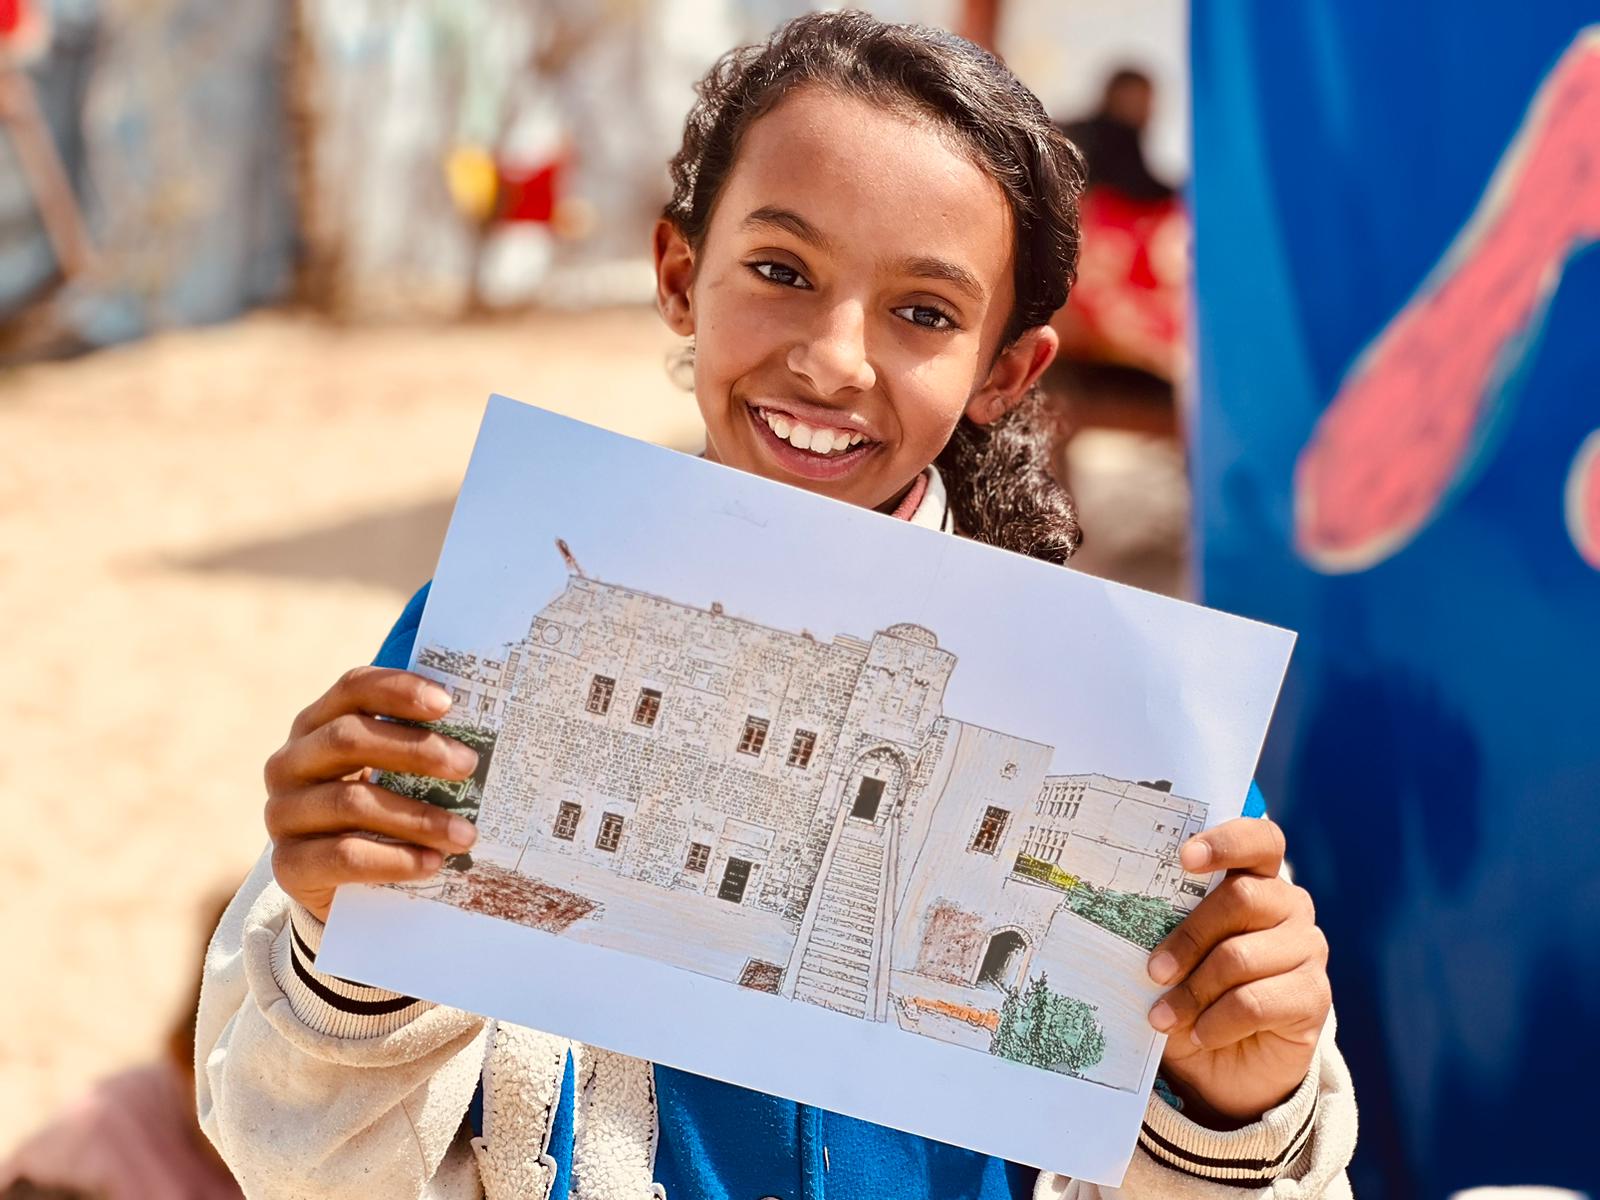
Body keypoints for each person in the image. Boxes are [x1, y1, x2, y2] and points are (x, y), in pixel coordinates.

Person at [196, 13, 1355, 1198]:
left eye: (925, 313)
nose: (833, 357)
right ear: (679, 278)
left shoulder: (1139, 725)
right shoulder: (473, 630)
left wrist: (1234, 1099)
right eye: (781, 272)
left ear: (1005, 372)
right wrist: (340, 950)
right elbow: (303, 1163)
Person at [1058, 68, 1175, 204]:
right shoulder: (1116, 136)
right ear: (1117, 96)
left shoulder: (1089, 129)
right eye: (1141, 99)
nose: (1149, 110)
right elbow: (1138, 186)